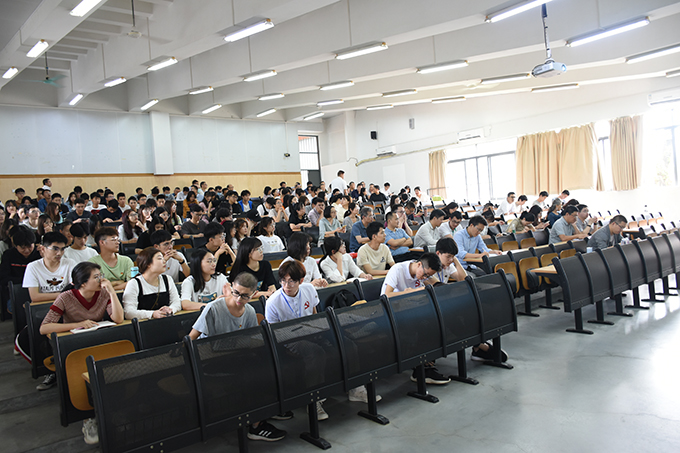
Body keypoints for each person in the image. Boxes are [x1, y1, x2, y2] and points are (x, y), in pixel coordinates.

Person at [187, 271, 287, 440]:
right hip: (210, 362)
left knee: (269, 367)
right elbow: (191, 338)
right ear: (232, 287)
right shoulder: (214, 308)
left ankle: (264, 413)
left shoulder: (249, 311)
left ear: (254, 294)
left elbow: (248, 341)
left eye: (245, 296)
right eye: (236, 293)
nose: (239, 299)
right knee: (252, 375)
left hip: (236, 358)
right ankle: (256, 425)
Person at [264, 260, 328, 419]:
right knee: (315, 352)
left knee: (342, 341)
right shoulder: (273, 302)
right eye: (283, 281)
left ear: (301, 280)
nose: (287, 285)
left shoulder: (308, 289)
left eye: (292, 281)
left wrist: (317, 330)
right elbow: (274, 334)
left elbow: (314, 313)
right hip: (287, 337)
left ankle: (355, 388)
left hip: (310, 330)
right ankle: (313, 400)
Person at [122, 247, 181, 319]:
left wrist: (170, 309)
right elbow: (129, 313)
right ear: (148, 264)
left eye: (163, 258)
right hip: (144, 324)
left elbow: (177, 302)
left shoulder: (168, 279)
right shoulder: (134, 283)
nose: (164, 261)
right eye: (160, 258)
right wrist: (152, 314)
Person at [0, 226, 41, 314]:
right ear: (16, 246)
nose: (26, 250)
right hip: (16, 292)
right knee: (19, 310)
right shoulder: (8, 255)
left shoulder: (40, 254)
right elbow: (4, 278)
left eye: (29, 246)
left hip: (39, 290)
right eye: (22, 247)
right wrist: (28, 281)